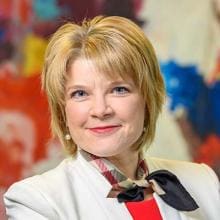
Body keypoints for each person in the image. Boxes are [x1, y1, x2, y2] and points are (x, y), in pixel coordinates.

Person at [3, 16, 220, 220]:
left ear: (148, 98)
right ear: (63, 110)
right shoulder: (36, 201)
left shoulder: (204, 182)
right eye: (80, 93)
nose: (100, 109)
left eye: (118, 90)